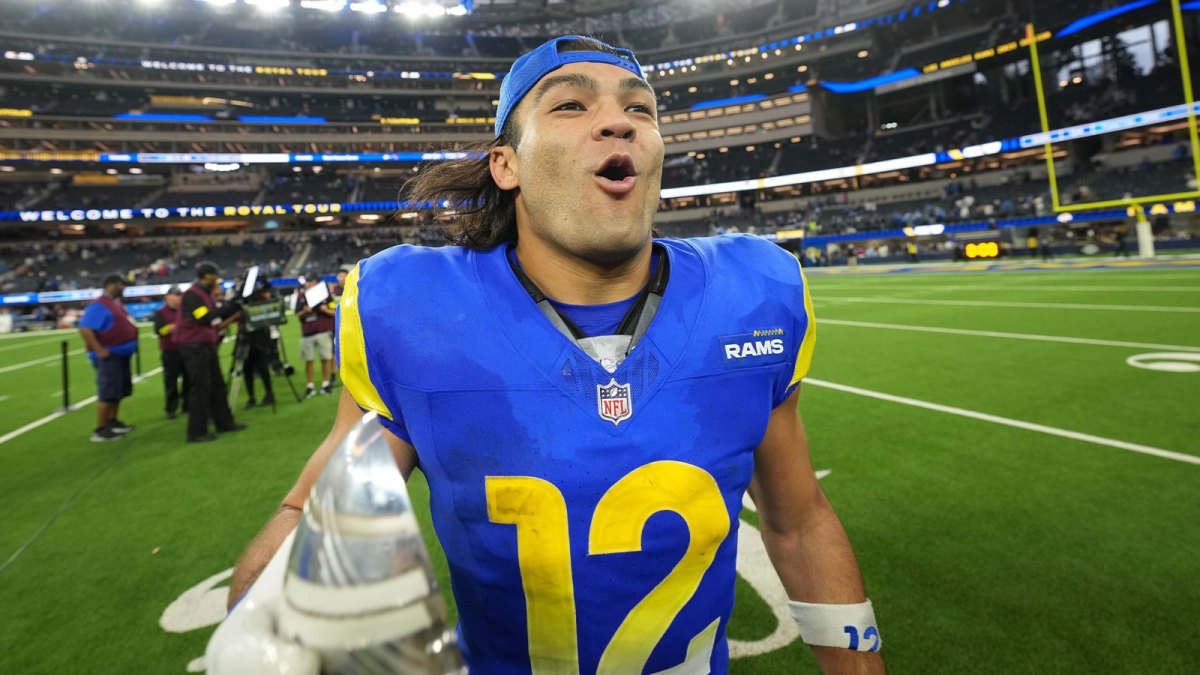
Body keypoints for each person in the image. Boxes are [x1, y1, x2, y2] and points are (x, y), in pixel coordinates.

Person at [214, 36, 883, 674]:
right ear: (506, 163)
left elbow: (797, 523)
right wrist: (269, 615)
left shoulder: (752, 295)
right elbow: (315, 515)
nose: (617, 122)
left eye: (639, 108)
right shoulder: (415, 311)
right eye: (571, 103)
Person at [175, 262, 247, 443]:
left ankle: (224, 423)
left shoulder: (202, 293)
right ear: (207, 276)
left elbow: (211, 315)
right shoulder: (193, 295)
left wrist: (231, 307)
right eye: (214, 276)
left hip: (204, 345)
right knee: (200, 388)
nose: (217, 280)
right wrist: (229, 307)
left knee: (217, 385)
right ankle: (196, 432)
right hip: (194, 346)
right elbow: (204, 317)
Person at [77, 274, 139, 442]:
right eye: (121, 284)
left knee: (117, 391)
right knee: (108, 392)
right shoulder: (99, 305)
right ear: (111, 285)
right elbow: (85, 328)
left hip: (120, 354)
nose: (124, 287)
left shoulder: (114, 304)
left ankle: (112, 422)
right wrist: (100, 350)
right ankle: (100, 429)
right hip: (110, 355)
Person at [294, 276, 336, 398]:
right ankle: (310, 386)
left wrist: (324, 310)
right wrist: (305, 311)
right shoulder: (301, 296)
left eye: (311, 280)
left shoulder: (325, 294)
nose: (309, 283)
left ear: (317, 282)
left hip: (323, 331)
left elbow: (333, 311)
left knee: (325, 358)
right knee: (309, 360)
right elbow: (297, 314)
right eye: (308, 281)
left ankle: (326, 384)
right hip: (308, 332)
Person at [151, 286, 187, 419]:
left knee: (188, 379)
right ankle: (171, 408)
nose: (178, 298)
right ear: (167, 297)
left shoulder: (184, 310)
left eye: (179, 295)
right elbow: (158, 330)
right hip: (170, 351)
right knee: (171, 381)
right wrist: (171, 328)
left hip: (185, 348)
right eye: (175, 295)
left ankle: (186, 405)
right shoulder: (160, 312)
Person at [239, 281, 277, 409]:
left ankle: (268, 394)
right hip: (249, 338)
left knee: (262, 368)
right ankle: (252, 397)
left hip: (259, 338)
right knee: (247, 370)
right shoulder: (245, 303)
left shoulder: (261, 303)